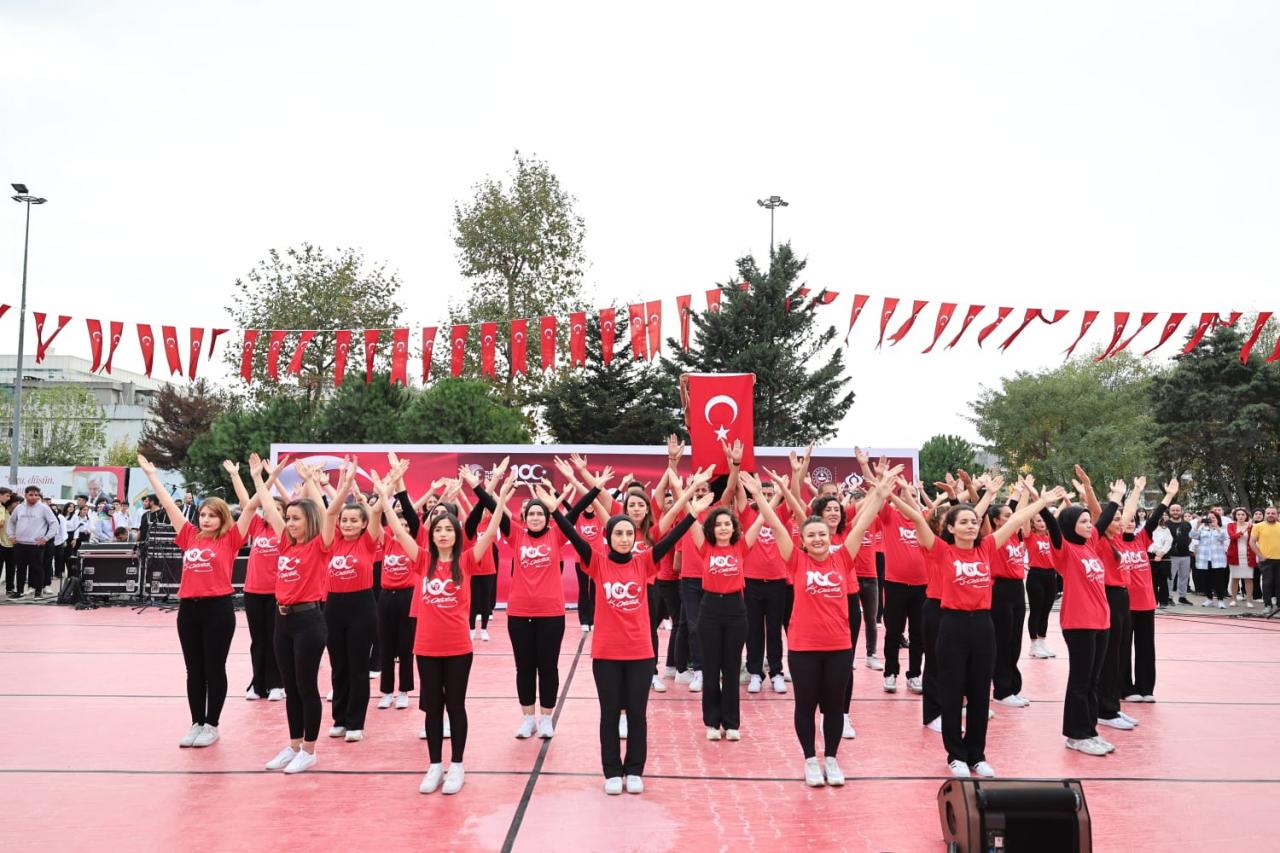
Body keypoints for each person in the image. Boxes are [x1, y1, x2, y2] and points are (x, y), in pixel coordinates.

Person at [894, 475, 1060, 777]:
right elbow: (918, 518)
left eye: (974, 521)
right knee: (953, 690)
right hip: (952, 625)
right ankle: (955, 755)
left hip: (983, 625)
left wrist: (1042, 502)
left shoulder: (986, 547)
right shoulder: (941, 550)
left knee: (980, 692)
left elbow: (1016, 519)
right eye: (964, 522)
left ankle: (977, 754)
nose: (971, 525)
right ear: (951, 528)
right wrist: (889, 495)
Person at [553, 476, 703, 794]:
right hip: (605, 654)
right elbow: (571, 533)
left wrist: (691, 512)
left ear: (634, 537)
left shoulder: (644, 562)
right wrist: (555, 512)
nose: (623, 538)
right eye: (617, 533)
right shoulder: (596, 563)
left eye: (627, 533)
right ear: (608, 538)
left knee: (637, 715)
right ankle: (611, 771)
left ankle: (634, 770)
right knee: (609, 715)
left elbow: (670, 537)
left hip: (639, 654)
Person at [754, 466, 897, 787]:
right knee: (805, 706)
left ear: (830, 537)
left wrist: (881, 492)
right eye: (811, 535)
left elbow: (861, 524)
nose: (818, 539)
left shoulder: (843, 558)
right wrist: (759, 498)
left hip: (838, 647)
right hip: (804, 648)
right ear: (803, 541)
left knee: (833, 706)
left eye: (822, 534)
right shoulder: (796, 560)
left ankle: (831, 758)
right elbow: (776, 525)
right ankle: (809, 758)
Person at [376, 467, 512, 795]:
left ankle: (457, 765)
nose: (443, 534)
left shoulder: (466, 561)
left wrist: (499, 501)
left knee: (455, 705)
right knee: (432, 707)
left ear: (456, 534)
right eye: (438, 530)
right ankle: (435, 764)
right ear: (432, 534)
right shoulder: (422, 560)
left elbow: (492, 532)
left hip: (458, 648)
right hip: (426, 647)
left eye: (449, 530)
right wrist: (385, 495)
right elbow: (398, 528)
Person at [138, 452, 266, 750]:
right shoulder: (189, 536)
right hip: (188, 610)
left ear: (222, 518)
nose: (206, 519)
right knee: (193, 670)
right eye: (203, 514)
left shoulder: (231, 539)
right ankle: (196, 722)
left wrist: (256, 477)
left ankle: (212, 724)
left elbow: (250, 508)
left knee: (213, 668)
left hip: (218, 610)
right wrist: (152, 475)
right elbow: (169, 505)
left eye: (212, 515)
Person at [471, 463, 599, 740]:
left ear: (548, 517)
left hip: (551, 614)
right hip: (519, 614)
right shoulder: (515, 535)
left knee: (548, 666)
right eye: (532, 514)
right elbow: (491, 506)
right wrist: (480, 487)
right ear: (524, 517)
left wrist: (595, 487)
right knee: (524, 666)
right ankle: (527, 718)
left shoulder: (556, 535)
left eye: (542, 513)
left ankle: (545, 718)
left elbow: (576, 511)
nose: (537, 518)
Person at [252, 455, 352, 775]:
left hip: (309, 621)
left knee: (306, 686)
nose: (291, 523)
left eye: (296, 518)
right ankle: (294, 744)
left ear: (307, 521)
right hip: (283, 621)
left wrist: (318, 483)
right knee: (291, 686)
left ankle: (309, 749)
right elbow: (269, 507)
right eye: (289, 518)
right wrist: (258, 478)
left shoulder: (320, 545)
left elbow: (329, 513)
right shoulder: (286, 544)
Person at [1040, 466, 1114, 758]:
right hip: (1079, 623)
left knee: (1094, 681)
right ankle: (1076, 734)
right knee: (1080, 681)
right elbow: (1055, 530)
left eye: (1088, 521)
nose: (1088, 525)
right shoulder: (1065, 550)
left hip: (1101, 621)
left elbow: (1104, 518)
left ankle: (1090, 731)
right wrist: (1043, 505)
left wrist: (1096, 489)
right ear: (1071, 524)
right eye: (1083, 521)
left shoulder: (1091, 546)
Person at [225, 459, 286, 702]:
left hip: (277, 593)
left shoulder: (285, 533)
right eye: (271, 509)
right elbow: (246, 503)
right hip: (253, 592)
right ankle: (258, 682)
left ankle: (277, 683)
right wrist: (236, 476)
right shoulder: (258, 528)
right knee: (257, 640)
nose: (273, 513)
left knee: (275, 639)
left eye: (279, 511)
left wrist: (272, 479)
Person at [1119, 477, 1177, 703]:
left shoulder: (1141, 539)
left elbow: (1152, 519)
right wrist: (1135, 491)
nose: (1131, 523)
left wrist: (1168, 496)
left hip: (1145, 603)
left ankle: (1146, 688)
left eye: (1134, 520)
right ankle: (1125, 688)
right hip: (1124, 604)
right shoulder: (1114, 542)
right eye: (1127, 520)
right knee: (1123, 649)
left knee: (1146, 648)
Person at [375, 456, 422, 710]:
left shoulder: (415, 546)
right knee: (385, 644)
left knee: (406, 646)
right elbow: (385, 513)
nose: (401, 528)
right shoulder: (387, 541)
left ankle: (404, 690)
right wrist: (389, 485)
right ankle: (386, 691)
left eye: (406, 525)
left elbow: (411, 513)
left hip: (407, 597)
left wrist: (399, 479)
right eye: (398, 524)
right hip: (386, 597)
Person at [5, 486, 58, 598]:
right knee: (20, 569)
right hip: (20, 544)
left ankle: (38, 592)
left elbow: (54, 523)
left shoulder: (44, 508)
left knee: (37, 569)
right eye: (31, 495)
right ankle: (19, 592)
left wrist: (46, 538)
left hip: (36, 545)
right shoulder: (19, 508)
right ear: (25, 495)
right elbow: (11, 522)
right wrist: (10, 535)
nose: (34, 497)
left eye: (36, 495)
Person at [1190, 511, 1229, 608]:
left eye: (1213, 518)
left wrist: (1216, 527)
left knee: (1218, 581)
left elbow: (1223, 537)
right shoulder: (1203, 528)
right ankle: (1209, 599)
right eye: (1209, 518)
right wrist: (1198, 524)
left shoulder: (1222, 528)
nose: (1211, 519)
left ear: (1217, 519)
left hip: (1217, 559)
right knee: (1205, 580)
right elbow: (1192, 535)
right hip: (1204, 558)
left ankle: (1220, 600)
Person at [1252, 507, 1280, 612]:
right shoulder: (1258, 526)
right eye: (1268, 513)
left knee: (1279, 583)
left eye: (1273, 513)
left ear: (1277, 515)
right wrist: (1259, 555)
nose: (1270, 515)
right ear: (1265, 515)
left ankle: (1279, 605)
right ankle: (1267, 605)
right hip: (1266, 560)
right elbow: (1252, 542)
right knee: (1267, 583)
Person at [1226, 509, 1256, 607]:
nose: (1241, 516)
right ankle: (1233, 599)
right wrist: (1244, 530)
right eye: (1238, 514)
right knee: (1235, 578)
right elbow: (1233, 537)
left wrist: (1250, 527)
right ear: (1235, 516)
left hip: (1248, 555)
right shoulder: (1231, 525)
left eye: (1243, 514)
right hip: (1235, 555)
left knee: (1248, 578)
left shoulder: (1252, 526)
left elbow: (1255, 539)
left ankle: (1249, 600)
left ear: (1246, 516)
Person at [1165, 505, 1193, 606]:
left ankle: (1182, 597)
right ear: (1170, 511)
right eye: (1173, 510)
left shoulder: (1186, 524)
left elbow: (1190, 538)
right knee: (1170, 578)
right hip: (1171, 556)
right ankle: (1168, 597)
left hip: (1185, 555)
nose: (1175, 512)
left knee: (1184, 577)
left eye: (1177, 510)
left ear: (1181, 511)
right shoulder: (1166, 524)